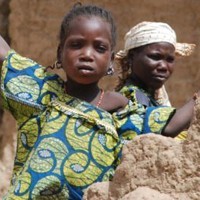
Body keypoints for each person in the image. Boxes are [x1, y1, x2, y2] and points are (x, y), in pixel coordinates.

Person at [0, 4, 130, 199]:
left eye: (99, 48)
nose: (87, 54)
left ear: (111, 60)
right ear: (60, 52)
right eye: (76, 45)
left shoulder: (121, 114)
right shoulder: (41, 92)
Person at [114, 21, 197, 140]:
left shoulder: (149, 97)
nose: (163, 66)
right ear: (132, 57)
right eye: (155, 57)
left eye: (170, 59)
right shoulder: (130, 96)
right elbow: (168, 129)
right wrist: (197, 100)